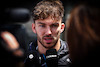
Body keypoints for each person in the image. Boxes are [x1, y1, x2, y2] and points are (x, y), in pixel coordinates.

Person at [24, 0, 70, 67]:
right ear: (34, 28)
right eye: (42, 26)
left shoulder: (75, 56)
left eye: (54, 25)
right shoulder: (23, 57)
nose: (48, 32)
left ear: (62, 28)